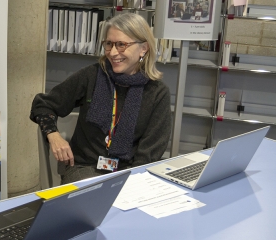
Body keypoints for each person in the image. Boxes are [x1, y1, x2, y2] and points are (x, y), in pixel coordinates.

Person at [30, 13, 172, 184]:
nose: (113, 52)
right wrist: (54, 135)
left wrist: (132, 186)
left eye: (121, 45)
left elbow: (148, 156)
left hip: (130, 173)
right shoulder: (92, 75)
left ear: (144, 48)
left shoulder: (157, 93)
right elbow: (43, 105)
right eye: (109, 44)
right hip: (84, 168)